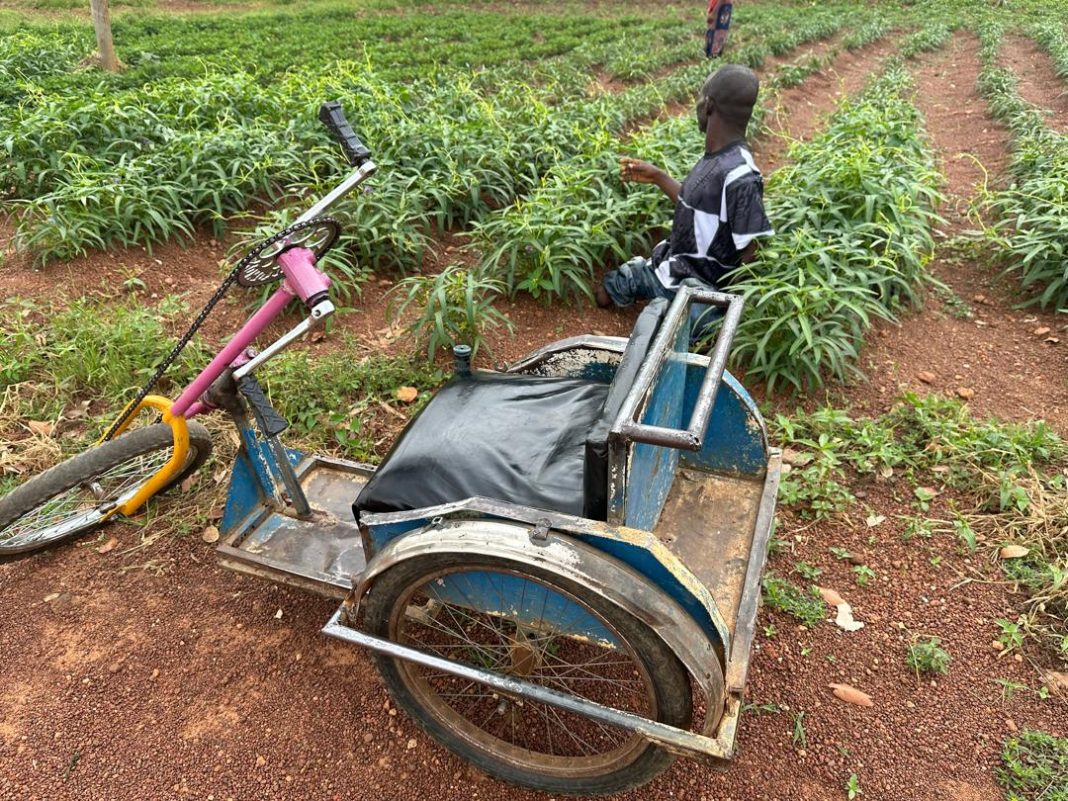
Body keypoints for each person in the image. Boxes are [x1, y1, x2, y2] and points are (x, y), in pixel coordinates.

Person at [595, 64, 773, 328]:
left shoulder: (741, 175)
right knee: (605, 292)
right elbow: (698, 207)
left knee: (665, 342)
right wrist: (658, 177)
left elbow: (751, 250)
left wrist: (725, 305)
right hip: (668, 265)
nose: (697, 104)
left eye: (701, 97)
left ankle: (693, 323)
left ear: (710, 105)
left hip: (698, 288)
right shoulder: (718, 156)